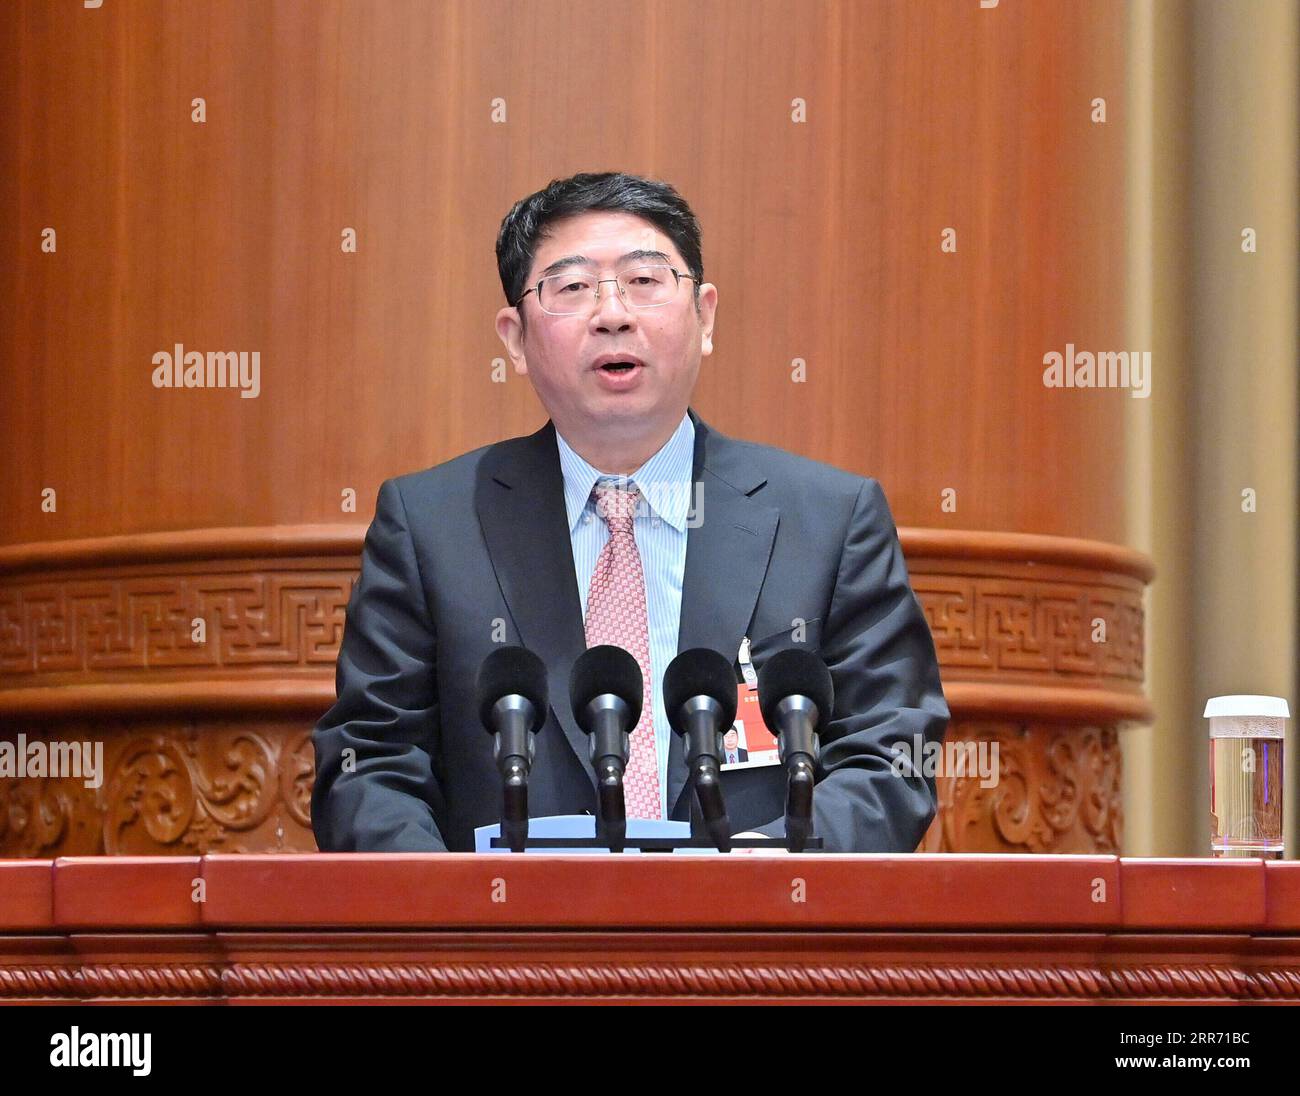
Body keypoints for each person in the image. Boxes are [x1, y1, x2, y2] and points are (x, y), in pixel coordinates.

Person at [311, 171, 949, 853]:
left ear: (704, 317)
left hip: (758, 947)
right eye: (572, 287)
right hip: (510, 950)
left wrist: (765, 892)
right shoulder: (431, 524)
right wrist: (460, 919)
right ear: (516, 339)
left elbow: (892, 755)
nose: (612, 314)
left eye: (645, 281)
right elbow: (370, 764)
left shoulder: (828, 521)